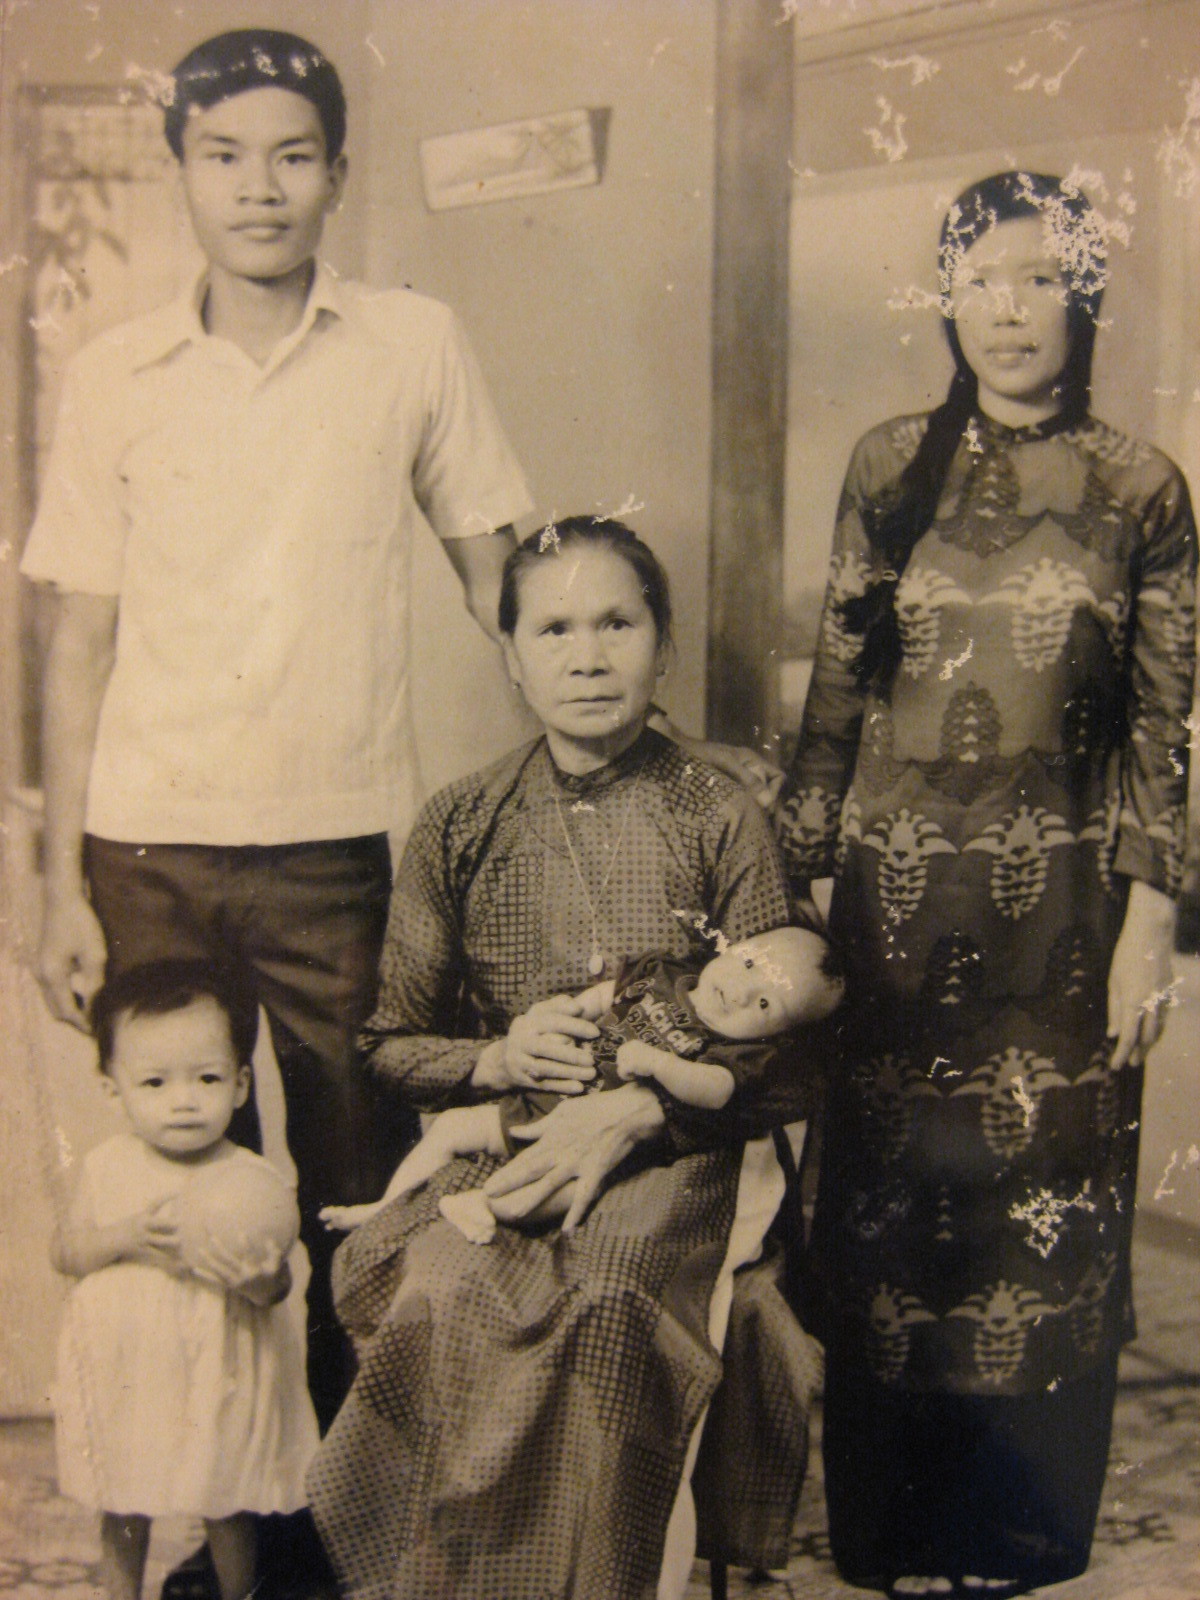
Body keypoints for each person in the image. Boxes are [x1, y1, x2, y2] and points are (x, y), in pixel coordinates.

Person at [20, 27, 532, 1430]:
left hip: (341, 850)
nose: (260, 188)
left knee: (364, 1190)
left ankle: (352, 1519)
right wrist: (58, 880)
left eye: (292, 157)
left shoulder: (412, 343)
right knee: (194, 1199)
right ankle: (217, 1512)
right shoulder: (118, 371)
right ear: (179, 172)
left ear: (337, 177)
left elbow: (506, 583)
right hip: (147, 851)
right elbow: (78, 639)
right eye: (224, 156)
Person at [776, 170, 1196, 1599]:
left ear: (1083, 296)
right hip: (894, 916)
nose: (1009, 311)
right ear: (944, 295)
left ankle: (1018, 1541)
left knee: (1042, 1211)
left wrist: (1158, 928)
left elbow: (1168, 732)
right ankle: (893, 1535)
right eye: (983, 279)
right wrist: (804, 884)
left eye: (1041, 279)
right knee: (893, 1216)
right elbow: (836, 692)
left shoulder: (1144, 488)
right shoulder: (889, 464)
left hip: (1069, 929)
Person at [307, 517, 829, 1600]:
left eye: (616, 622)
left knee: (610, 1293)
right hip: (515, 1135)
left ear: (662, 640)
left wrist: (644, 1115)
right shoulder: (460, 820)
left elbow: (792, 1053)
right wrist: (497, 1055)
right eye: (552, 629)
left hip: (684, 1145)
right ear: (509, 654)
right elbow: (389, 1049)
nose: (587, 656)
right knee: (446, 1285)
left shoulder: (716, 812)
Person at [51, 960, 318, 1600]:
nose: (184, 1099)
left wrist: (260, 1281)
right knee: (122, 1502)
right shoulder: (107, 1167)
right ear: (114, 1090)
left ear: (240, 1085)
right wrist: (124, 1237)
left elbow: (275, 1285)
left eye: (206, 1077)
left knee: (225, 1502)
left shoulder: (251, 1181)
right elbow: (66, 1250)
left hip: (215, 1371)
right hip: (129, 1367)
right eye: (154, 1081)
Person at [319, 924, 844, 1240]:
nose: (743, 991)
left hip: (607, 1144)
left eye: (767, 1004)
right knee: (452, 1128)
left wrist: (661, 1068)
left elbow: (717, 1091)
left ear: (777, 1034)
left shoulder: (736, 1053)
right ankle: (384, 1207)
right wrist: (566, 1009)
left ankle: (489, 1207)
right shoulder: (665, 972)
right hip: (543, 1097)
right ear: (733, 944)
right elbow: (605, 996)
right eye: (750, 963)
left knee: (569, 1190)